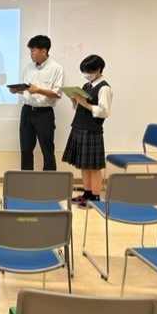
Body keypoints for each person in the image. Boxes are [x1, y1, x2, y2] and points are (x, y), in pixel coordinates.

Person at [61, 55, 112, 207]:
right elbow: (80, 107)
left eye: (88, 71)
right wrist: (74, 100)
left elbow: (104, 111)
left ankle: (95, 198)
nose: (86, 74)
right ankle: (87, 193)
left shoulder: (104, 88)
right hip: (79, 126)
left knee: (94, 166)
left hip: (92, 130)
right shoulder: (86, 85)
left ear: (98, 69)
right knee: (83, 164)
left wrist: (85, 104)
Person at [9, 35, 64, 170]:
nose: (30, 54)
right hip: (27, 111)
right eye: (30, 51)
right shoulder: (28, 67)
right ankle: (27, 180)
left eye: (33, 51)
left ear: (43, 51)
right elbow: (27, 90)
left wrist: (38, 90)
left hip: (44, 113)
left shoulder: (56, 68)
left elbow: (57, 93)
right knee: (25, 149)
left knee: (47, 150)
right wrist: (17, 90)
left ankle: (49, 181)